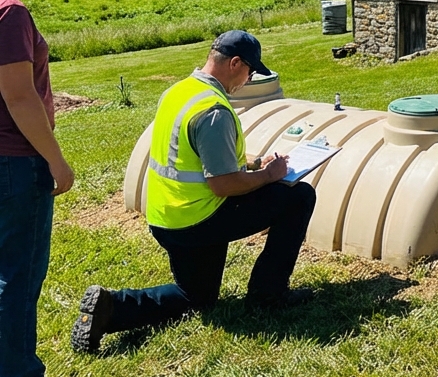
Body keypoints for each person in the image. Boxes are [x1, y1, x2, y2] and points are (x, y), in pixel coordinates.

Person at [71, 31, 317, 353]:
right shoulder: (214, 111)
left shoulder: (179, 92)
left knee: (195, 297)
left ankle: (112, 308)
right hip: (198, 220)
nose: (249, 78)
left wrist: (255, 163)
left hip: (166, 217)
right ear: (234, 63)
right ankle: (268, 296)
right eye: (250, 70)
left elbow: (198, 156)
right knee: (298, 197)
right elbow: (223, 184)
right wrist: (269, 175)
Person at [0, 0, 87, 377]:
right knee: (17, 279)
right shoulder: (9, 12)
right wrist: (55, 160)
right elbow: (18, 95)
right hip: (14, 161)